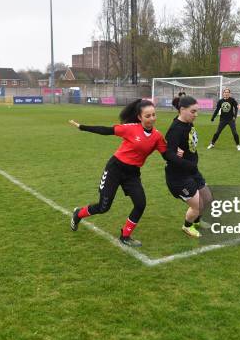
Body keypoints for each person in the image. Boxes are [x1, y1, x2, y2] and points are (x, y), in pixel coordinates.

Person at [69, 99, 168, 247]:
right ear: (140, 117)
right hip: (115, 169)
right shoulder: (130, 128)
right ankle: (79, 213)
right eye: (148, 116)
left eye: (154, 115)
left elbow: (167, 154)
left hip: (132, 173)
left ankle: (125, 236)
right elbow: (106, 130)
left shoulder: (157, 136)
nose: (152, 118)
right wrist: (82, 127)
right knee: (104, 207)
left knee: (140, 204)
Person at [165, 96, 212, 238]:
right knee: (197, 205)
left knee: (207, 198)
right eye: (193, 112)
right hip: (178, 177)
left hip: (192, 172)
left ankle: (197, 221)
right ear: (182, 110)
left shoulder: (188, 123)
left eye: (197, 111)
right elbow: (168, 155)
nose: (196, 115)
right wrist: (179, 158)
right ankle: (187, 226)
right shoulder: (175, 129)